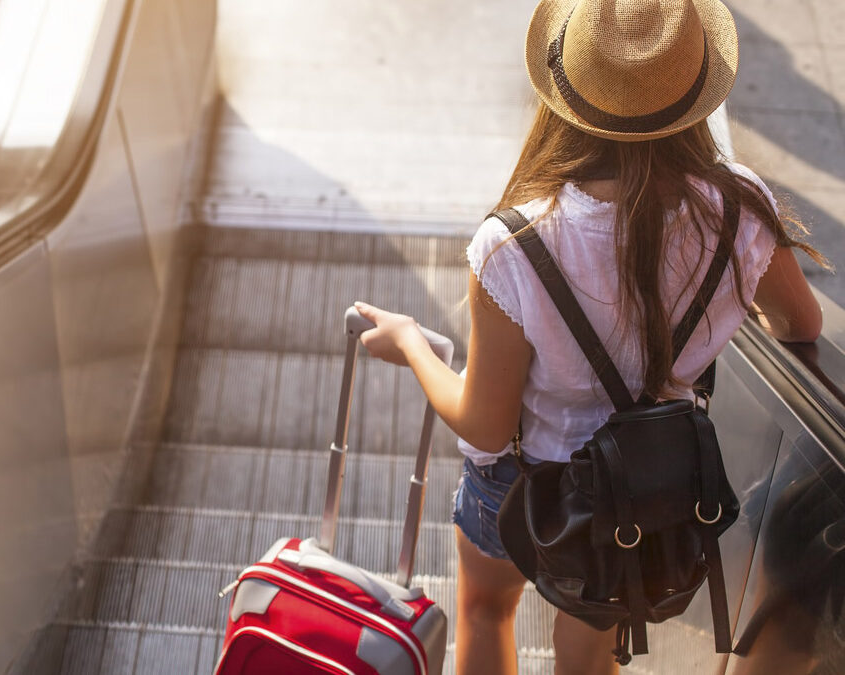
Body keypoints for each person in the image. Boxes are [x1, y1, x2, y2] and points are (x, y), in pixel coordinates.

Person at [353, 0, 828, 673]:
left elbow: (486, 429)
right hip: (647, 487)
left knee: (488, 611)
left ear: (565, 95)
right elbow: (800, 325)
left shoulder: (513, 245)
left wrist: (410, 344)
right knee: (590, 645)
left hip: (523, 483)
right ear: (693, 94)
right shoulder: (740, 209)